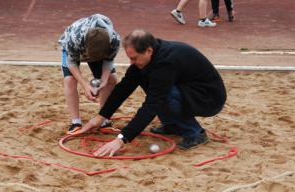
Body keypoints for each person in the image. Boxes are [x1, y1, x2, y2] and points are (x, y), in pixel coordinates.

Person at [80, 29, 227, 157]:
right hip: (189, 90)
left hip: (209, 98)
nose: (131, 62)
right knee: (148, 81)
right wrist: (100, 117)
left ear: (149, 50)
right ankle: (172, 125)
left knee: (161, 94)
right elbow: (124, 87)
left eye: (134, 58)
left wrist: (121, 139)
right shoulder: (150, 57)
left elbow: (152, 104)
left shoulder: (165, 63)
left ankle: (195, 133)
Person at [58, 14, 120, 134]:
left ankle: (104, 119)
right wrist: (85, 85)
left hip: (97, 49)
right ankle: (75, 122)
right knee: (69, 80)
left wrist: (104, 80)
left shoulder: (114, 41)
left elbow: (109, 60)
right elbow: (71, 63)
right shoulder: (75, 39)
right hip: (74, 48)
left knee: (112, 79)